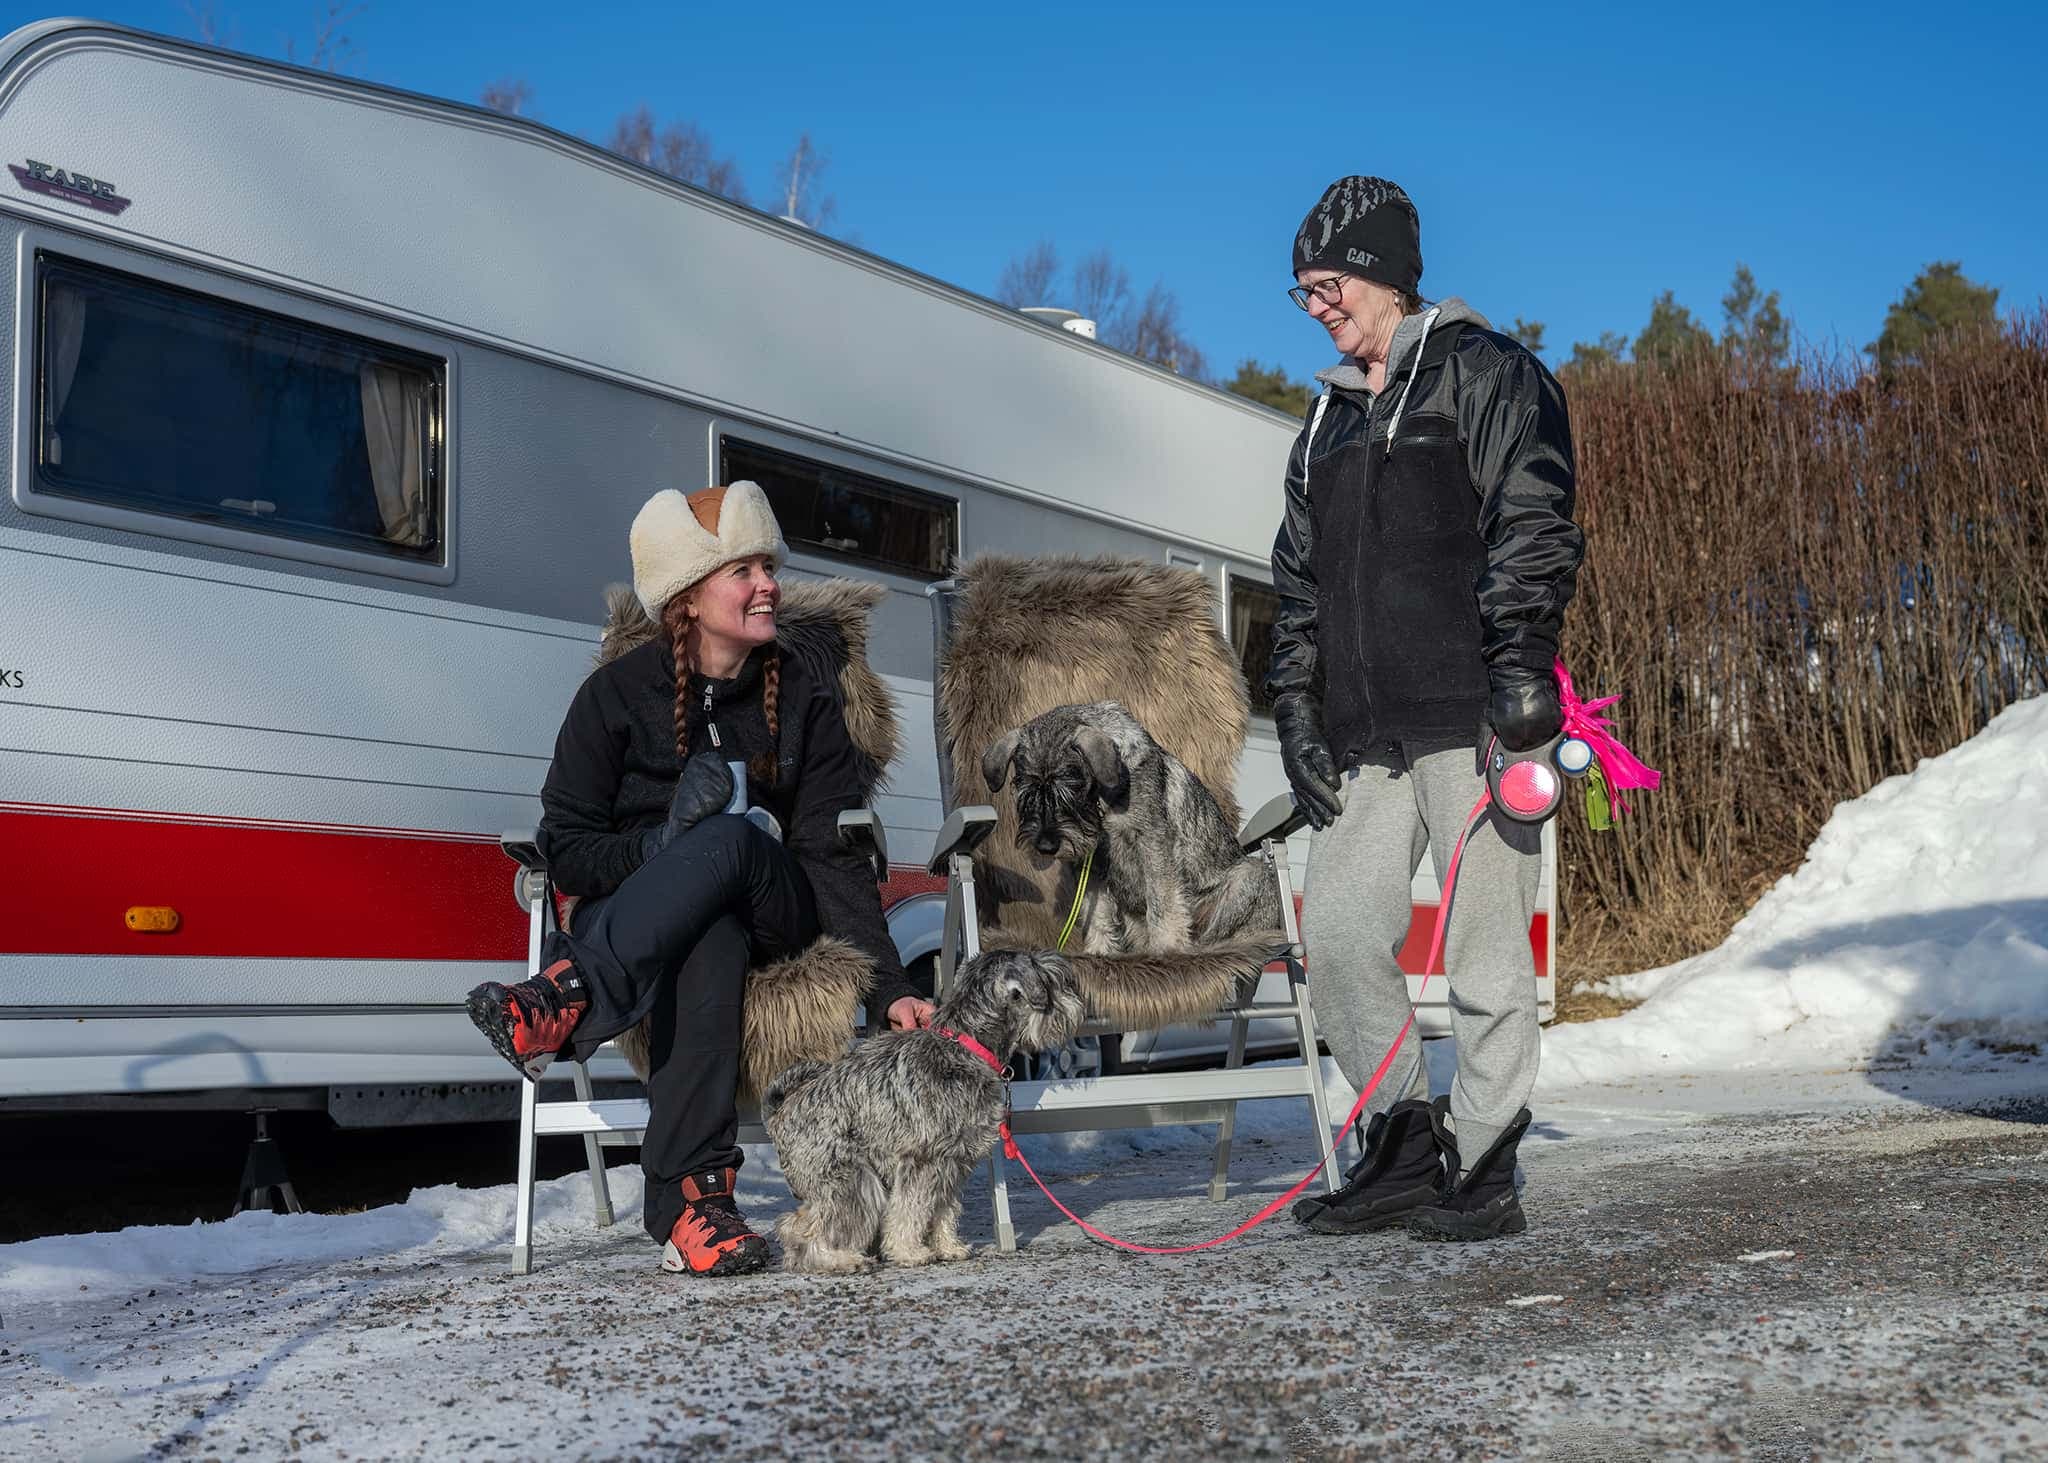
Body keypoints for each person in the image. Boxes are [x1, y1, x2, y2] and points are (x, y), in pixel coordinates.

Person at [467, 481, 932, 1277]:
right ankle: (695, 1202)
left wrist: (887, 983)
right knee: (701, 927)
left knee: (730, 841)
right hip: (668, 928)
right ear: (687, 594)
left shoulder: (806, 699)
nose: (768, 585)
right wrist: (658, 850)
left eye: (767, 567)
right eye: (743, 570)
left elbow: (829, 853)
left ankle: (568, 994)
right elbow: (570, 847)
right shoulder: (613, 698)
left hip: (775, 909)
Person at [1267, 176, 1584, 1242]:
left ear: (1384, 276)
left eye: (1326, 285)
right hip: (1367, 732)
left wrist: (1522, 665)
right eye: (1302, 291)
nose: (1314, 306)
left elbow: (1532, 519)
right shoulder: (1323, 419)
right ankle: (1401, 1134)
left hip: (1472, 714)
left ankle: (1485, 1155)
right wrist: (1298, 708)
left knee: (1486, 949)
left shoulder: (1486, 375)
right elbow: (1298, 584)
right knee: (1344, 932)